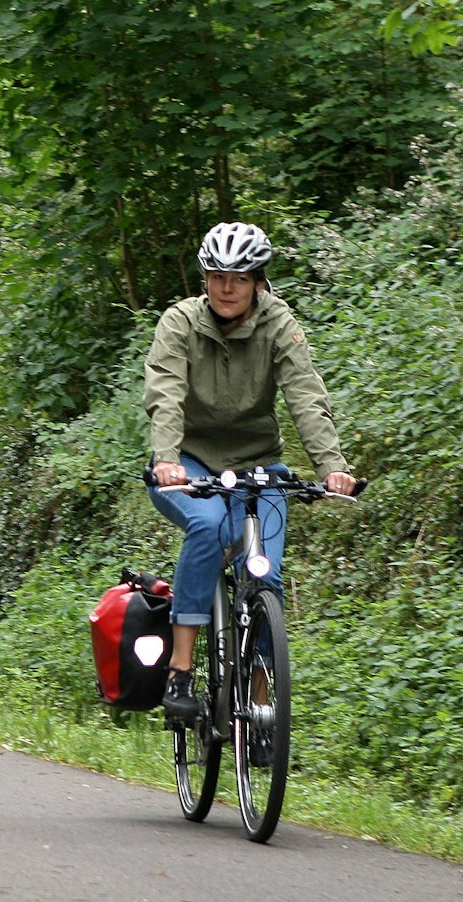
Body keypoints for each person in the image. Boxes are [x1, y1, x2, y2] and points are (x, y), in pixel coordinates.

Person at [144, 222, 358, 734]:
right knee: (210, 528)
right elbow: (166, 393)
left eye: (238, 277)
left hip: (259, 465)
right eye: (216, 276)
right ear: (204, 278)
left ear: (258, 280)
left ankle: (260, 706)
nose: (226, 287)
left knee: (265, 575)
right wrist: (167, 457)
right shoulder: (180, 323)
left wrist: (332, 468)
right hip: (190, 462)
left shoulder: (279, 324)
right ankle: (181, 670)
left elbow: (305, 395)